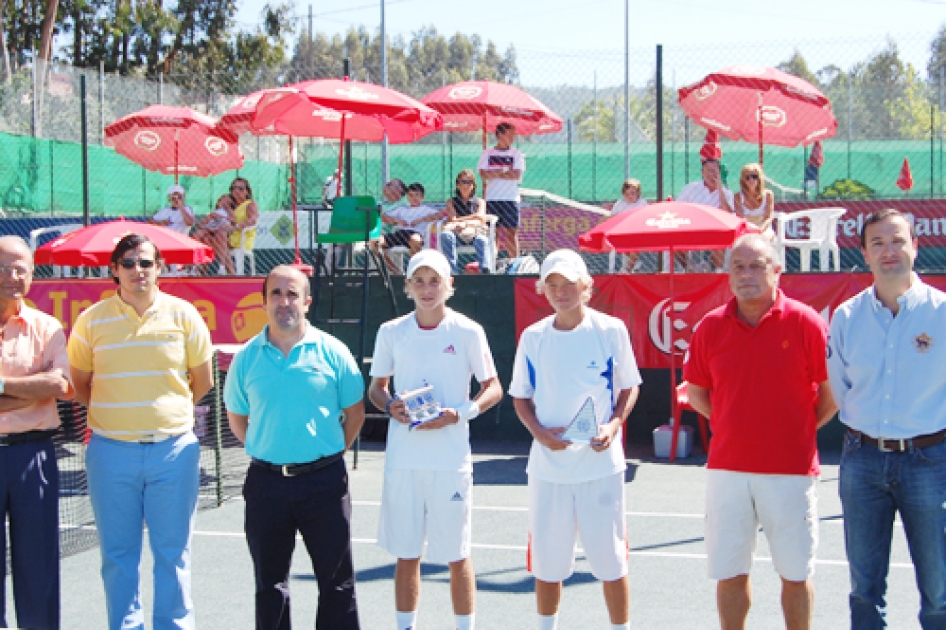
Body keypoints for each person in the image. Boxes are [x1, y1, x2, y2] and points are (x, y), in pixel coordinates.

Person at [684, 234, 837, 630]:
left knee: (796, 575)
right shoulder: (710, 327)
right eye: (738, 266)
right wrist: (732, 423)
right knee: (730, 573)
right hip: (727, 470)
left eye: (756, 266)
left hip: (791, 470)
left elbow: (831, 395)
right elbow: (698, 393)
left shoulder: (806, 322)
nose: (746, 274)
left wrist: (799, 427)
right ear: (728, 273)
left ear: (777, 271)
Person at [67, 233, 214, 630]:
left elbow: (202, 381)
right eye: (128, 263)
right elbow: (79, 383)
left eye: (146, 263)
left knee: (173, 553)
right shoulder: (91, 320)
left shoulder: (184, 315)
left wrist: (165, 415)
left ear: (160, 268)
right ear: (114, 270)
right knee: (117, 556)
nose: (138, 270)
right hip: (110, 453)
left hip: (174, 454)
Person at [367, 249, 502, 630]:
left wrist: (460, 413)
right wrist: (391, 405)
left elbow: (493, 388)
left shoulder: (468, 331)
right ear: (407, 286)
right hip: (403, 462)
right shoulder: (391, 332)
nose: (427, 289)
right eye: (420, 281)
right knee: (407, 554)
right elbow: (377, 388)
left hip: (450, 462)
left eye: (435, 281)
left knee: (457, 555)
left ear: (450, 286)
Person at [224, 265, 365, 630]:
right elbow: (237, 418)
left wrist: (326, 453)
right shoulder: (246, 359)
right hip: (266, 484)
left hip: (324, 483)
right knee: (269, 585)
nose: (283, 301)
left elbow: (355, 413)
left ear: (306, 302)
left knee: (337, 583)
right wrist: (268, 448)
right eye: (276, 293)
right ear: (264, 301)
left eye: (292, 294)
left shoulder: (334, 352)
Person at [509, 249, 642, 630]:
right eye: (551, 285)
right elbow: (520, 397)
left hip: (601, 468)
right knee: (548, 565)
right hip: (548, 470)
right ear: (543, 291)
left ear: (586, 286)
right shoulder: (533, 338)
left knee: (611, 561)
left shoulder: (611, 330)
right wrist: (540, 435)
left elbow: (628, 387)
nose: (560, 291)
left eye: (568, 284)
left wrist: (612, 426)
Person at [828, 208, 946, 629]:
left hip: (931, 462)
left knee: (939, 593)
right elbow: (841, 389)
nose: (888, 250)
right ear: (863, 253)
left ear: (916, 246)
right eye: (877, 243)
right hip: (862, 461)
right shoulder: (845, 317)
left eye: (898, 240)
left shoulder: (942, 312)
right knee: (864, 590)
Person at [0, 235, 73, 630]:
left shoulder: (47, 327)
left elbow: (59, 386)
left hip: (34, 457)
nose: (12, 277)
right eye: (3, 268)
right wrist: (31, 389)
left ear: (31, 275)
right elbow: (43, 387)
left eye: (20, 269)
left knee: (38, 565)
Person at [677, 131, 734, 272]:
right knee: (676, 238)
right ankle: (688, 269)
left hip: (716, 231)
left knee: (721, 239)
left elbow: (729, 214)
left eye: (715, 171)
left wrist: (720, 189)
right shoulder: (691, 188)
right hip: (692, 228)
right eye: (708, 171)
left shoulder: (726, 193)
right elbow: (677, 208)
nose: (712, 174)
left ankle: (718, 271)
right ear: (702, 173)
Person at [478, 122, 526, 259]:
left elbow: (516, 175)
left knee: (511, 233)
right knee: (494, 233)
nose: (512, 138)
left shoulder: (516, 154)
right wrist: (504, 170)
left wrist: (495, 172)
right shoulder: (487, 153)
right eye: (509, 134)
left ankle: (514, 265)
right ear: (499, 135)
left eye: (513, 135)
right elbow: (483, 175)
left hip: (511, 199)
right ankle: (492, 264)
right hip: (492, 199)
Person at [373, 182, 443, 264]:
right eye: (411, 195)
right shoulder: (402, 209)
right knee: (374, 242)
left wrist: (420, 220)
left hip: (415, 233)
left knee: (415, 240)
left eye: (416, 195)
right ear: (407, 197)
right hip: (399, 234)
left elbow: (440, 215)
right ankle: (394, 270)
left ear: (422, 197)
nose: (413, 198)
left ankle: (413, 268)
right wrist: (398, 220)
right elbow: (383, 217)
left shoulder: (426, 209)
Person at [440, 169, 492, 274]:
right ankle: (452, 272)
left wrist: (464, 222)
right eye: (463, 182)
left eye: (469, 182)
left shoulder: (480, 201)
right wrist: (473, 217)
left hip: (475, 233)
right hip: (457, 234)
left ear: (473, 185)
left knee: (482, 240)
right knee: (446, 235)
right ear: (458, 184)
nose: (466, 185)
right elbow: (453, 219)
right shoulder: (451, 202)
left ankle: (485, 272)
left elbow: (481, 217)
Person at [610, 179, 649, 273]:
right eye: (627, 194)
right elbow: (613, 217)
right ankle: (633, 264)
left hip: (639, 232)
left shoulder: (642, 203)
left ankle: (628, 269)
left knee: (635, 243)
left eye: (632, 193)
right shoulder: (620, 204)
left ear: (638, 193)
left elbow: (645, 218)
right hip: (622, 232)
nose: (630, 196)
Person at [193, 194, 236, 275]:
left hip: (220, 233)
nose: (224, 203)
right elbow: (200, 225)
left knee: (220, 234)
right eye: (223, 200)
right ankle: (196, 264)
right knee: (198, 234)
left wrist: (223, 217)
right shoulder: (213, 212)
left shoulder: (228, 211)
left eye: (227, 202)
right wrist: (211, 217)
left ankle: (221, 266)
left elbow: (233, 222)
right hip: (209, 230)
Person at [733, 163, 775, 239]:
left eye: (754, 176)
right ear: (743, 180)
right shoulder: (738, 197)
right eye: (747, 177)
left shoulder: (768, 195)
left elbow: (768, 218)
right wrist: (751, 232)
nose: (751, 180)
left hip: (764, 229)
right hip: (746, 230)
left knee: (765, 239)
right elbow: (740, 219)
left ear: (759, 179)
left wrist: (760, 231)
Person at [229, 177, 259, 256]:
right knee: (207, 238)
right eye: (234, 188)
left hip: (242, 240)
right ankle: (198, 268)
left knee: (213, 239)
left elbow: (253, 220)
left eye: (241, 188)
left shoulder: (250, 204)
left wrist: (236, 227)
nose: (237, 191)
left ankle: (224, 267)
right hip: (226, 237)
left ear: (247, 191)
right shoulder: (228, 205)